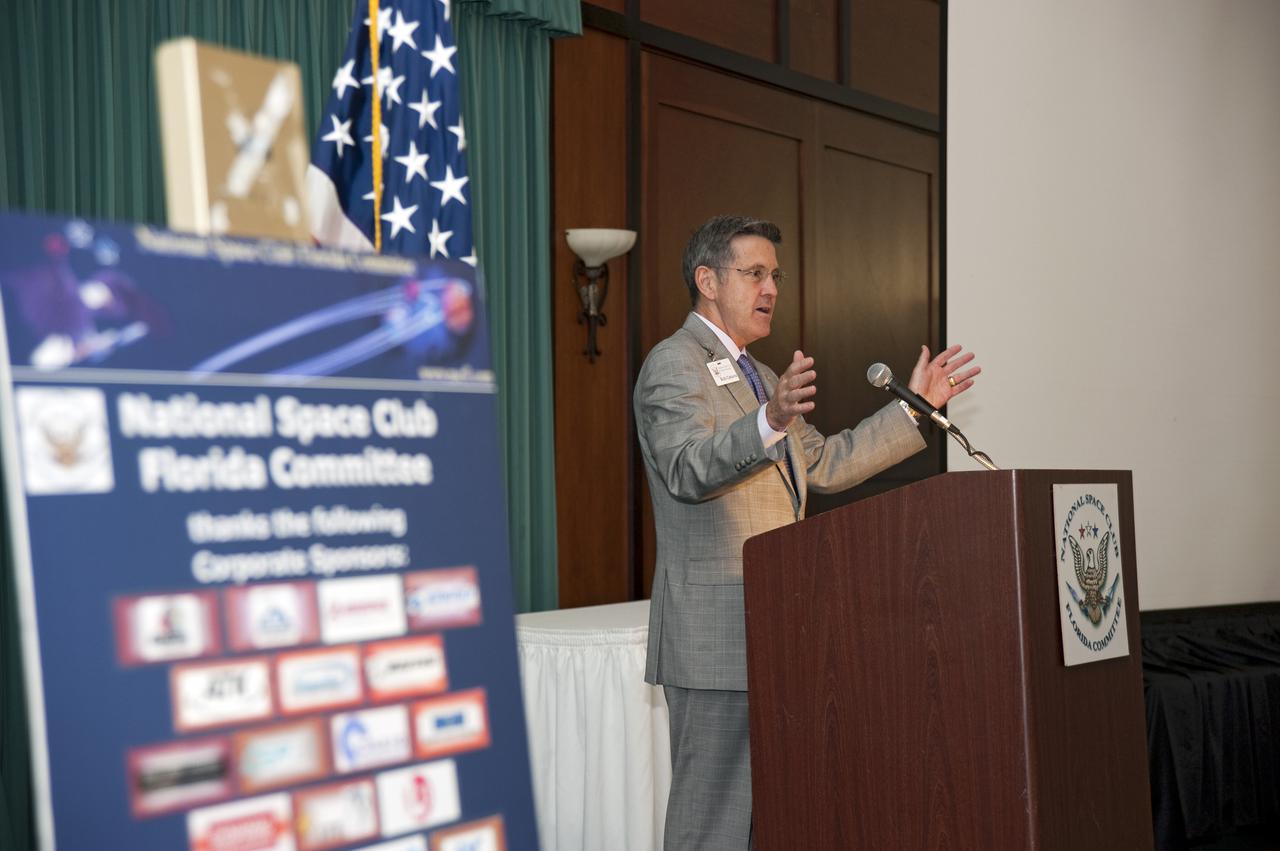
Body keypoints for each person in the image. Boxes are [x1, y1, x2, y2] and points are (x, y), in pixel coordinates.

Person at [634, 214, 980, 850]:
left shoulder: (759, 374)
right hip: (715, 637)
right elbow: (687, 467)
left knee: (771, 814)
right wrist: (765, 421)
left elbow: (827, 461)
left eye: (776, 276)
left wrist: (916, 410)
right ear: (707, 280)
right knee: (712, 820)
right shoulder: (674, 363)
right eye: (755, 273)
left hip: (775, 628)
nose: (771, 288)